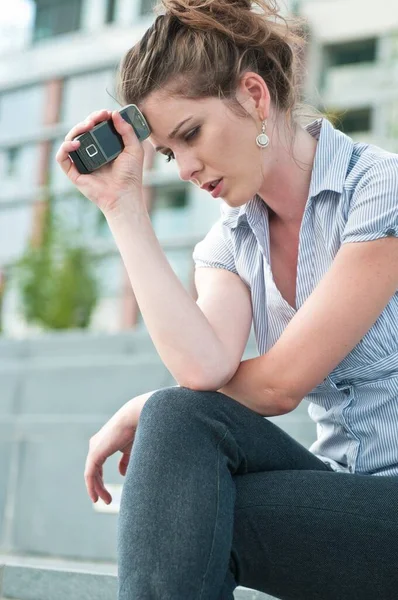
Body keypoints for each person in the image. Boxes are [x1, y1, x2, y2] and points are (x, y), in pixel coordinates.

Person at [56, 0, 398, 597]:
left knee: (178, 487)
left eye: (190, 134)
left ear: (254, 95)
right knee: (180, 482)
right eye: (167, 153)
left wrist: (143, 405)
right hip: (347, 498)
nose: (185, 167)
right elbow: (203, 371)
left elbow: (279, 386)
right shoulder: (231, 242)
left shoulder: (380, 190)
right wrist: (123, 206)